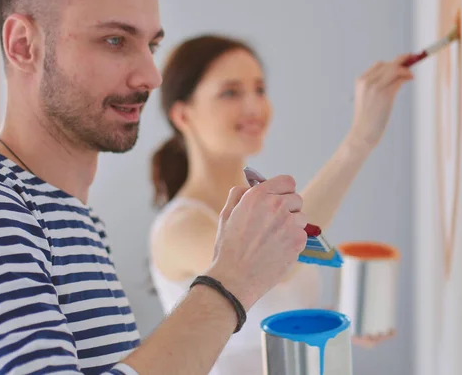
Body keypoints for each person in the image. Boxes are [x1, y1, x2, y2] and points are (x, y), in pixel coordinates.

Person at [0, 0, 314, 374]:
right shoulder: (1, 209)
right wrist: (231, 280)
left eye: (152, 46)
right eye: (115, 40)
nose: (151, 76)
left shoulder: (76, 220)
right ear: (22, 45)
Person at [148, 35, 413, 373]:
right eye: (230, 92)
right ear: (183, 115)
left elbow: (272, 313)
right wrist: (359, 140)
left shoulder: (263, 204)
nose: (254, 107)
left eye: (259, 89)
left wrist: (339, 319)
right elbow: (276, 261)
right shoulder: (180, 228)